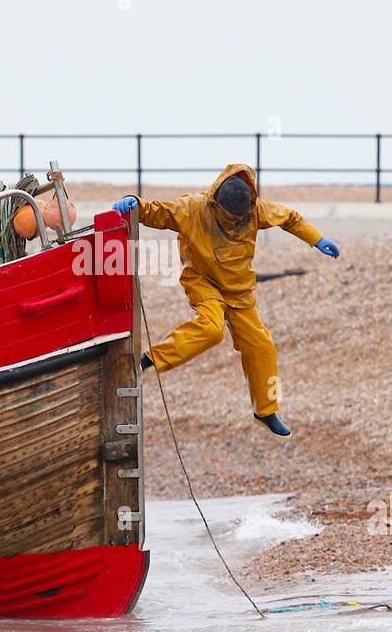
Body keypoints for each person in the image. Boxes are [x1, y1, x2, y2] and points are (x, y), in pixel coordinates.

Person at [112, 164, 339, 436]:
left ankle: (265, 410)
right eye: (231, 216)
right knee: (210, 330)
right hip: (203, 282)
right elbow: (156, 211)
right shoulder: (192, 208)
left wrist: (317, 238)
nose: (237, 221)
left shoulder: (257, 211)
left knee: (261, 345)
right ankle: (148, 360)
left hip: (239, 290)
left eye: (241, 217)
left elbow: (290, 218)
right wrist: (134, 203)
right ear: (217, 205)